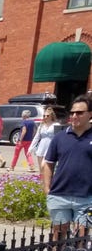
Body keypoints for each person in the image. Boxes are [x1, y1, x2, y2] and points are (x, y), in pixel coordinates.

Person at [42, 93, 92, 243]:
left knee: (81, 237)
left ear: (90, 114)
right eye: (72, 112)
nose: (74, 116)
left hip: (86, 197)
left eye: (79, 112)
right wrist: (47, 189)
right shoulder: (60, 137)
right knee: (58, 236)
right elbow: (48, 163)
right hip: (59, 195)